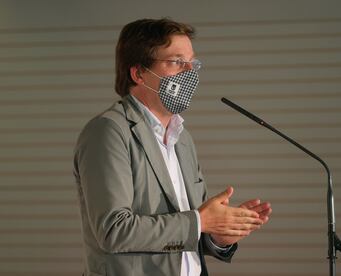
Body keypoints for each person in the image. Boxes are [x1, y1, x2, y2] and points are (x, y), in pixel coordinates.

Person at [73, 18, 272, 276]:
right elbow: (114, 231)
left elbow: (187, 233)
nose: (190, 71)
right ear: (139, 73)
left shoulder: (182, 138)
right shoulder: (109, 131)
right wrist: (201, 221)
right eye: (177, 62)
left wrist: (219, 234)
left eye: (192, 63)